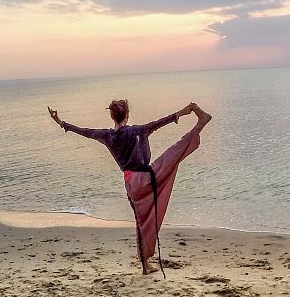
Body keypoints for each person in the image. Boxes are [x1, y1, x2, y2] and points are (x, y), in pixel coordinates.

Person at [47, 99, 212, 275]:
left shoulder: (107, 136)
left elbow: (84, 132)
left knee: (141, 221)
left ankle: (145, 265)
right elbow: (160, 122)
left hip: (131, 183)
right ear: (127, 114)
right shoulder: (138, 130)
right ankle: (200, 123)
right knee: (173, 154)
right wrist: (183, 111)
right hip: (147, 177)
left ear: (112, 116)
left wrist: (59, 122)